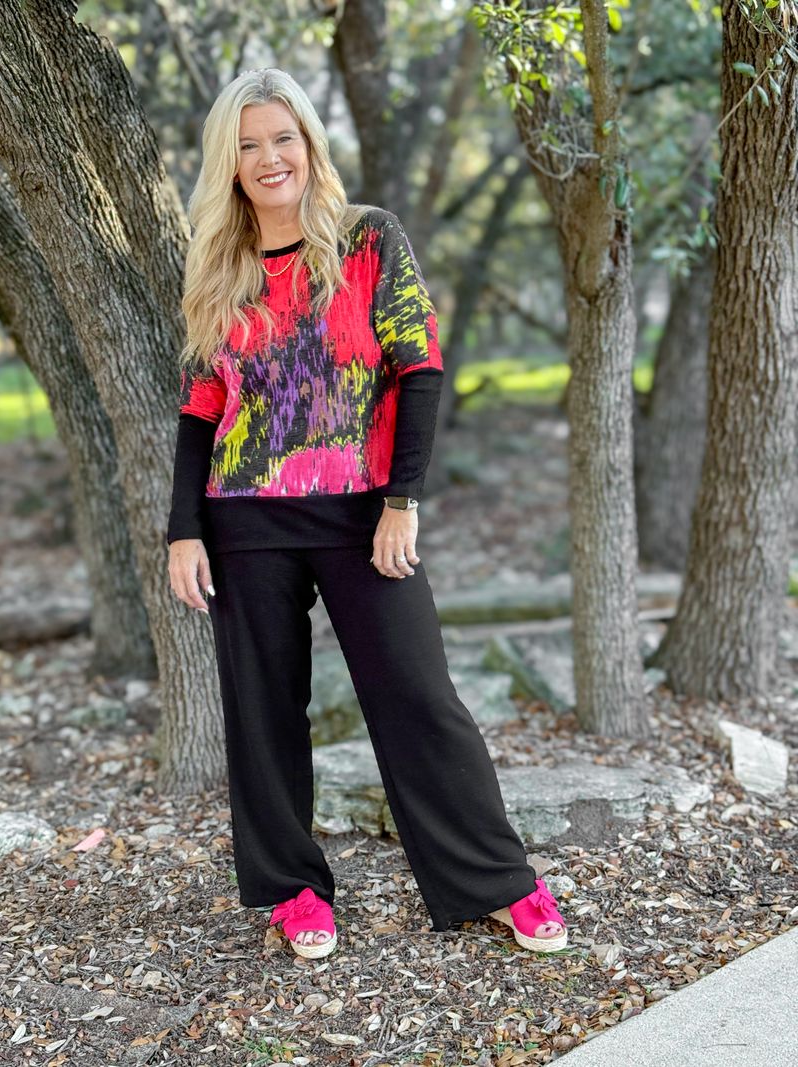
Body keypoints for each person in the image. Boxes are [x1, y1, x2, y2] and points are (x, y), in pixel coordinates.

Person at [166, 67, 567, 960]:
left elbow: (419, 367)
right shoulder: (218, 265)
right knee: (264, 709)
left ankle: (498, 880)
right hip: (244, 519)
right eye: (248, 145)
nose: (269, 158)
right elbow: (199, 408)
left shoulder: (368, 237)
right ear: (229, 162)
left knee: (418, 693)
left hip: (361, 513)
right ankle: (294, 889)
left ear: (309, 143)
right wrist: (183, 528)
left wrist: (401, 501)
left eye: (283, 137)